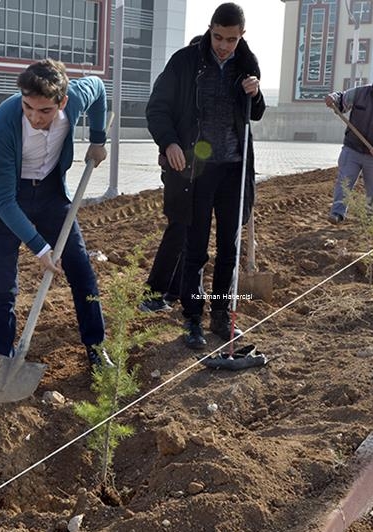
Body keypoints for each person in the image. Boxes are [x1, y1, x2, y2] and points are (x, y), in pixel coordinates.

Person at [0, 59, 113, 369]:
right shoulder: (3, 121)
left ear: (62, 102)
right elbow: (2, 199)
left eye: (44, 111)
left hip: (51, 193)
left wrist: (97, 141)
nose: (35, 118)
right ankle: (1, 355)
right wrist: (40, 247)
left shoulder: (76, 96)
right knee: (3, 282)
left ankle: (95, 346)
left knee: (81, 270)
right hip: (8, 197)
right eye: (28, 108)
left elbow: (100, 88)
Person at [146, 2, 265, 349]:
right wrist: (169, 142)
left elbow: (254, 115)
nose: (223, 45)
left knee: (229, 247)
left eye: (231, 39)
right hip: (196, 172)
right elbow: (157, 108)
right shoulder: (185, 62)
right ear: (210, 28)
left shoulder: (246, 63)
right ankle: (192, 320)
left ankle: (222, 317)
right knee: (195, 246)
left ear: (241, 35)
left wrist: (255, 95)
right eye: (218, 36)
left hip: (233, 168)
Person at [138, 34, 205, 314]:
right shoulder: (176, 76)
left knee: (192, 230)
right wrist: (168, 144)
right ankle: (153, 293)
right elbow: (158, 113)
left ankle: (176, 290)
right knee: (179, 227)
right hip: (178, 168)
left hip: (203, 169)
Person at [325, 68, 373, 225]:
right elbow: (342, 99)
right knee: (344, 181)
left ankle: (371, 216)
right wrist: (333, 99)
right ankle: (337, 213)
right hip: (352, 148)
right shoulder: (360, 93)